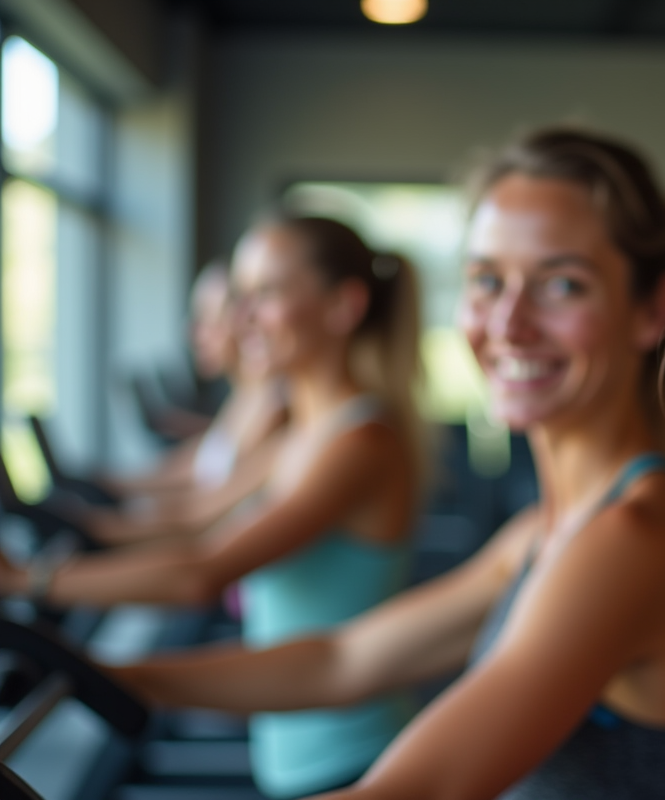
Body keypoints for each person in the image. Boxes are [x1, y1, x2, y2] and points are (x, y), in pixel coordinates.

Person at [112, 128, 665, 800]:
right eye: (487, 280)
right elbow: (340, 661)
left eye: (562, 285)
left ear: (652, 309)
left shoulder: (633, 540)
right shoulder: (545, 531)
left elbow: (418, 789)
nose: (509, 322)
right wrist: (124, 676)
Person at [0, 217, 428, 798]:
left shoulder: (359, 443)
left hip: (350, 757)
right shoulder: (303, 433)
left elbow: (202, 571)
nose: (241, 317)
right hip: (292, 747)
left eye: (267, 294)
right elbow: (196, 519)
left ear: (342, 306)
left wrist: (29, 579)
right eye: (241, 296)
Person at [86, 260, 289, 544]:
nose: (193, 332)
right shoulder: (245, 396)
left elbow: (199, 515)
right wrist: (103, 485)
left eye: (208, 317)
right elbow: (192, 467)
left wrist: (95, 522)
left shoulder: (276, 408)